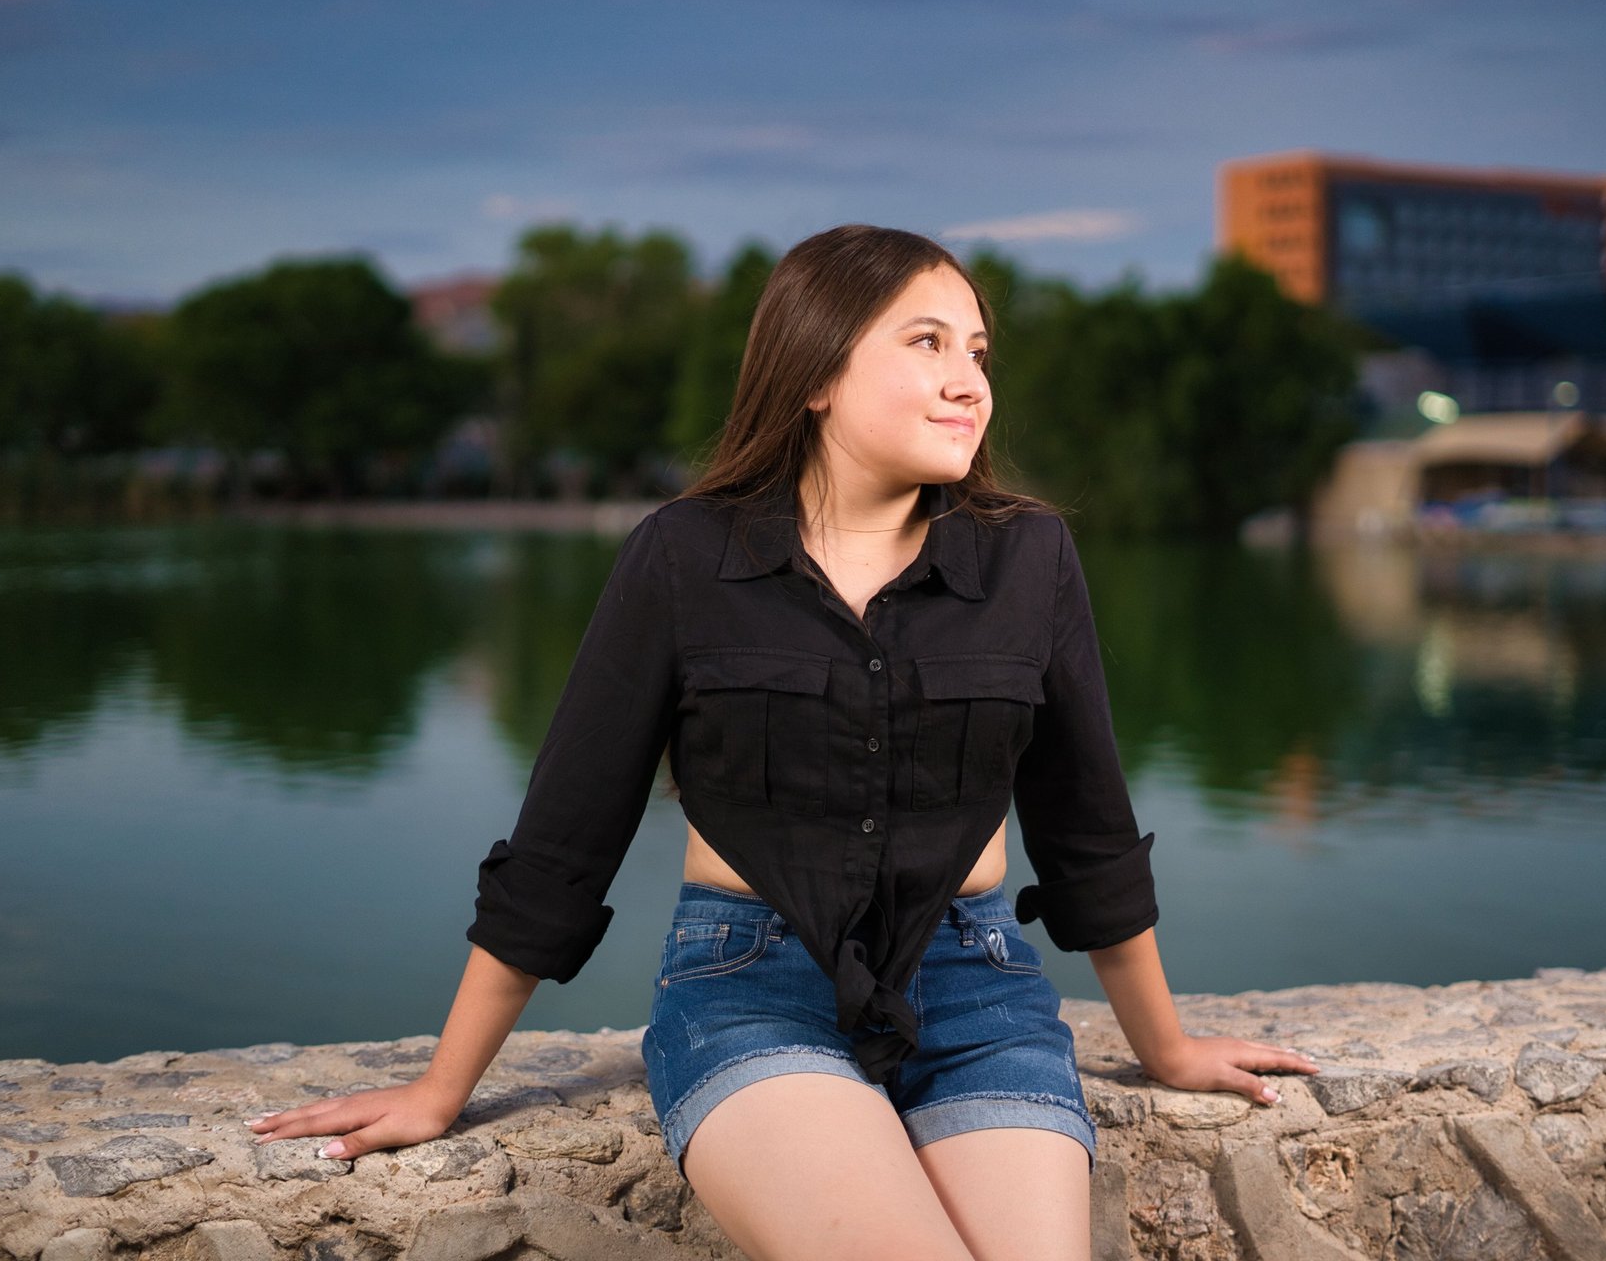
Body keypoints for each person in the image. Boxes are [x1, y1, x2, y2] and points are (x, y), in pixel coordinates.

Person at [246, 224, 1318, 1261]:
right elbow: (564, 843)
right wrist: (443, 1087)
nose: (970, 381)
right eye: (926, 341)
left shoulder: (1028, 556)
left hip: (979, 987)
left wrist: (1165, 1046)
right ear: (815, 372)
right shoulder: (682, 557)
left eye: (979, 351)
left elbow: (1087, 830)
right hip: (749, 985)